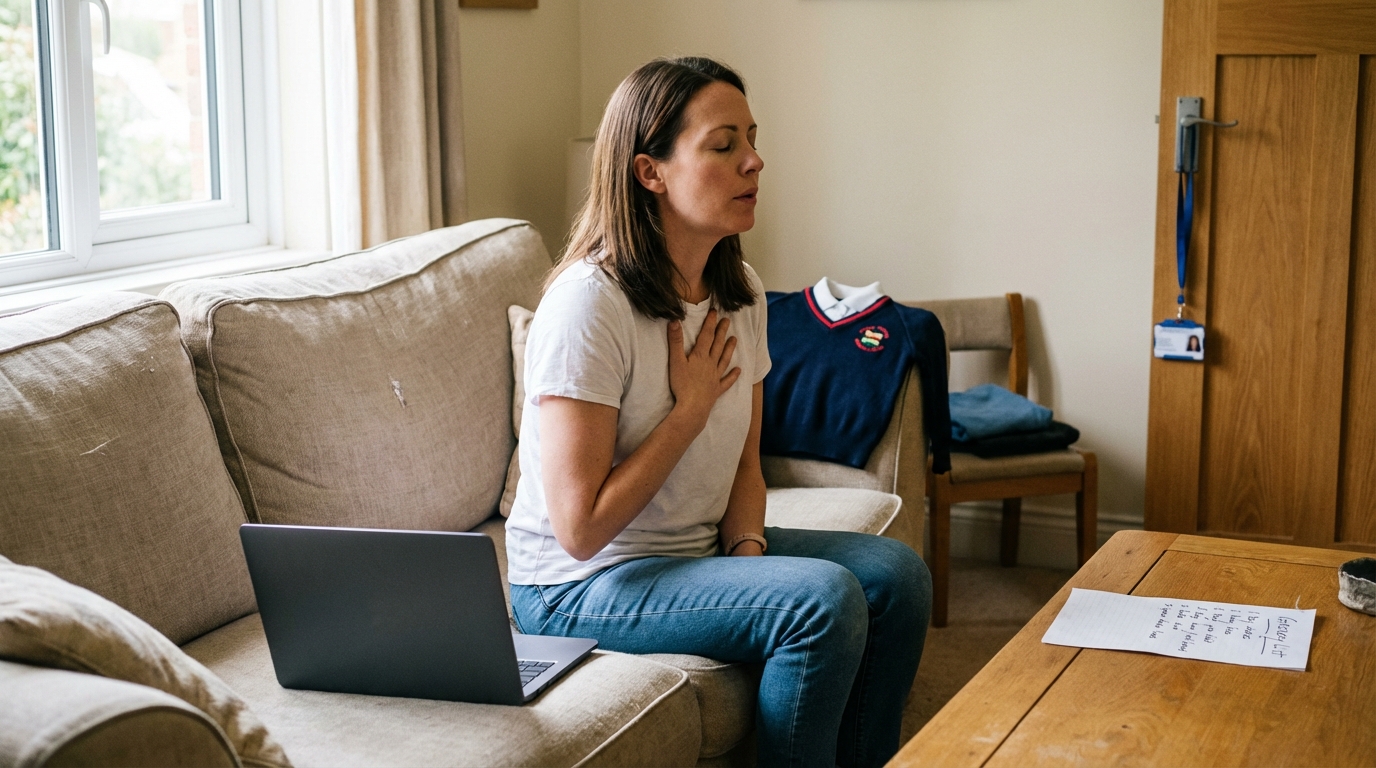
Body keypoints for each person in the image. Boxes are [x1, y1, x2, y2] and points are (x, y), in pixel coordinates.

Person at [504, 56, 930, 768]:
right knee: (820, 601)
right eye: (723, 144)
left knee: (896, 576)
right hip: (576, 587)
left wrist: (749, 558)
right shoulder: (589, 305)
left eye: (753, 140)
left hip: (689, 552)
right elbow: (578, 532)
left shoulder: (741, 292)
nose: (755, 162)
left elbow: (743, 462)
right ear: (651, 172)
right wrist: (687, 410)